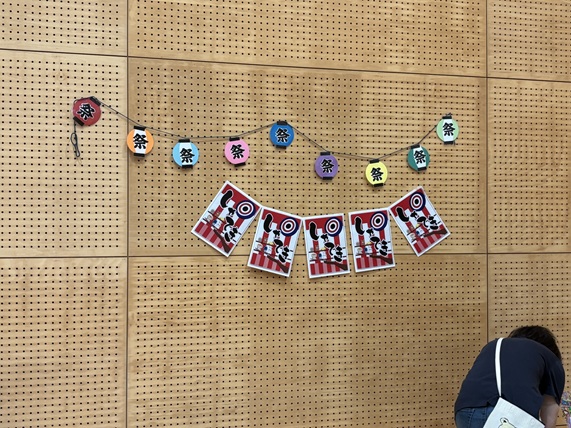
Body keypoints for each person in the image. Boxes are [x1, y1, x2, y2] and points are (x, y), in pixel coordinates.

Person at [455, 325, 565, 428]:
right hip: (509, 415)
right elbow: (549, 407)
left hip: (465, 411)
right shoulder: (552, 361)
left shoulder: (494, 345)